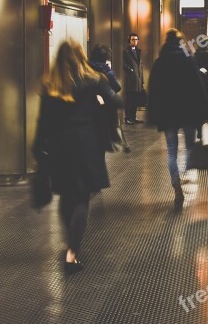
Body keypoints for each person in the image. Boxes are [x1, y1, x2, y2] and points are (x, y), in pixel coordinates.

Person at [33, 40, 123, 274]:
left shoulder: (50, 86)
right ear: (80, 58)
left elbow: (42, 123)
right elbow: (117, 100)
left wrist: (38, 151)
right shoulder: (93, 81)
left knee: (66, 195)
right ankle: (72, 252)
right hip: (87, 144)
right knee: (82, 197)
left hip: (60, 147)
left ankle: (69, 242)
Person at [147, 29, 208, 204]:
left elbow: (153, 92)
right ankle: (184, 174)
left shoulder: (159, 62)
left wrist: (154, 114)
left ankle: (176, 183)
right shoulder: (188, 60)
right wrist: (205, 113)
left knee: (172, 152)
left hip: (168, 115)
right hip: (188, 112)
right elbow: (199, 88)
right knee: (190, 146)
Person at [88, 44, 129, 153]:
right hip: (104, 110)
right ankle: (114, 141)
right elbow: (117, 87)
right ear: (106, 58)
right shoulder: (107, 72)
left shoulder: (85, 69)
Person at [122, 33, 144, 124]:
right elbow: (123, 64)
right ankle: (127, 118)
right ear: (129, 41)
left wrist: (142, 80)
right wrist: (130, 71)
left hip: (138, 79)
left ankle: (133, 117)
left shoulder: (139, 51)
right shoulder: (126, 51)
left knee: (135, 100)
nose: (135, 41)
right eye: (133, 40)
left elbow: (141, 66)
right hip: (130, 79)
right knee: (129, 100)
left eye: (136, 39)